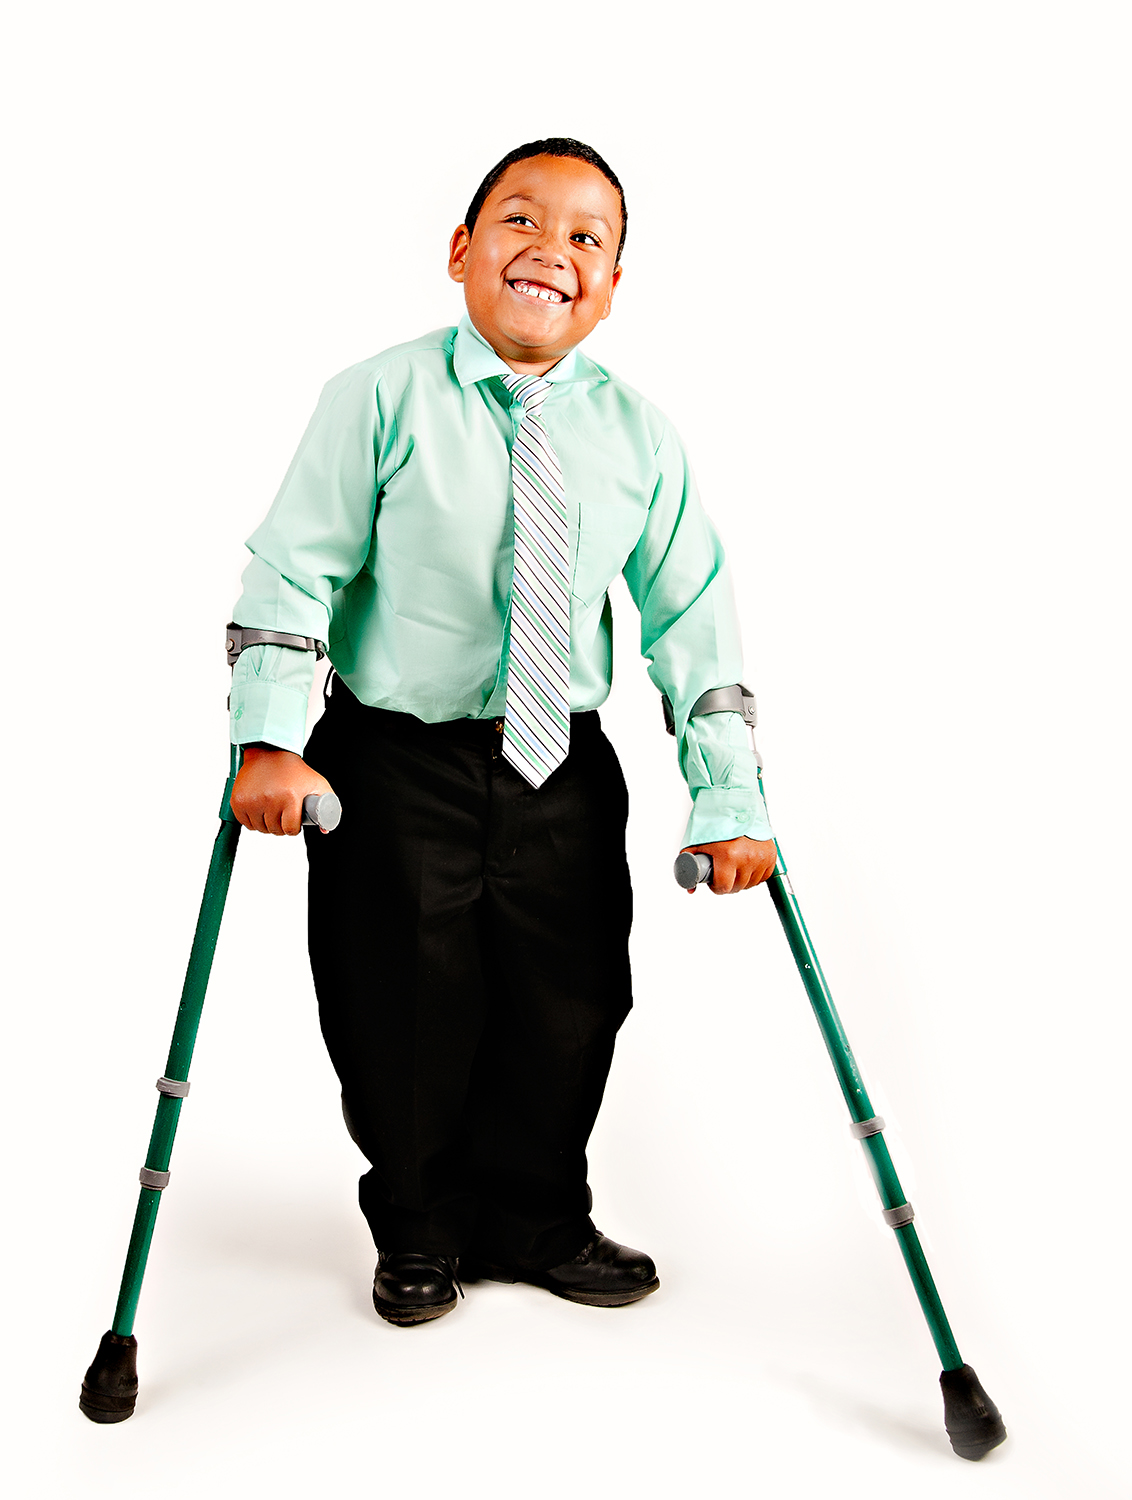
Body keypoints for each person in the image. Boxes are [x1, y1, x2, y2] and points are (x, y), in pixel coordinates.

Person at [225, 138, 777, 1327]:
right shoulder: (378, 397)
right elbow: (293, 567)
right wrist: (269, 740)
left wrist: (729, 797)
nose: (553, 251)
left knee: (567, 999)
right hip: (394, 759)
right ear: (463, 249)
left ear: (613, 286)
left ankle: (536, 1216)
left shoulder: (640, 436)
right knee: (398, 999)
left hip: (560, 762)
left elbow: (694, 617)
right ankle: (419, 1224)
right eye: (522, 221)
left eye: (589, 238)